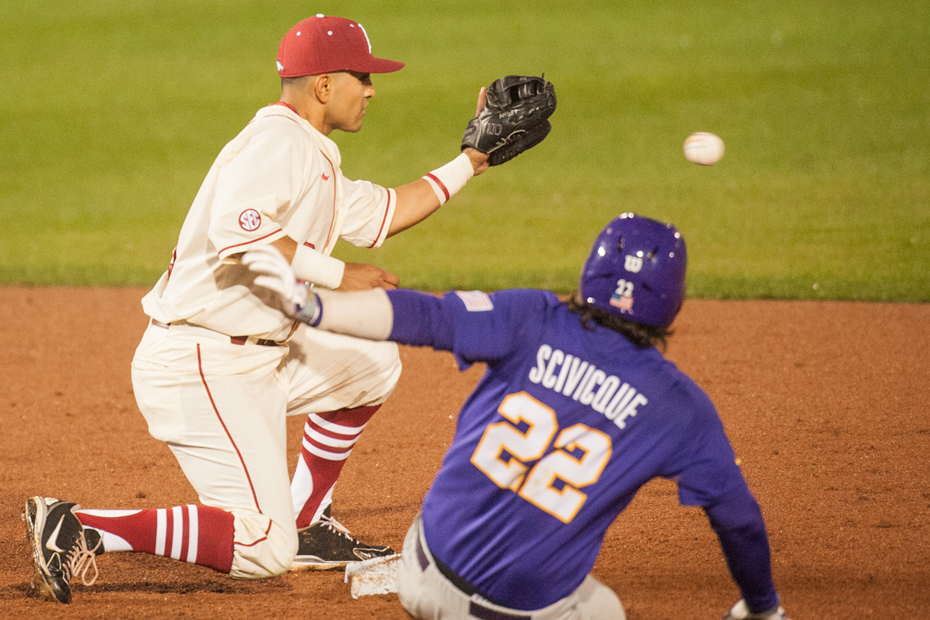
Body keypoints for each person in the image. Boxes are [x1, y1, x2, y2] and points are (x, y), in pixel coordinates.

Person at [24, 13, 495, 604]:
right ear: (323, 86)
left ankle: (307, 523)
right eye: (362, 77)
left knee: (373, 362)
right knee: (261, 549)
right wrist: (337, 274)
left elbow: (382, 214)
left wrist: (471, 160)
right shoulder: (277, 141)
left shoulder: (311, 150)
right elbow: (237, 231)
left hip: (254, 356)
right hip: (202, 363)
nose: (372, 89)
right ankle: (82, 527)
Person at [239, 213, 792, 620]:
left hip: (419, 572)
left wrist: (315, 306)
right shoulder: (680, 408)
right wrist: (763, 607)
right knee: (606, 610)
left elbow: (423, 315)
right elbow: (738, 519)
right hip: (513, 616)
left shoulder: (533, 316)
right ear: (672, 302)